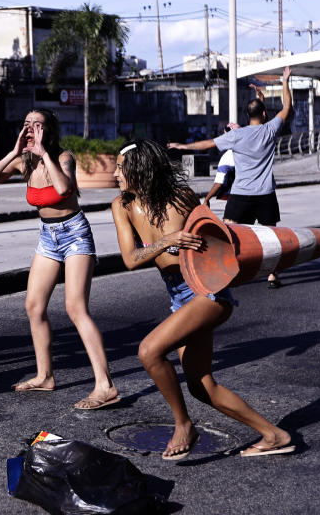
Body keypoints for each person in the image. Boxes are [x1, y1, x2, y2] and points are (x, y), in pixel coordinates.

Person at [111, 140, 294, 459]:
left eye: (119, 167)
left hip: (206, 290)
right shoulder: (122, 206)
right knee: (200, 384)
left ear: (139, 170)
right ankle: (274, 435)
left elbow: (214, 235)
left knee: (149, 351)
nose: (114, 174)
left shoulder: (181, 198)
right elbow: (130, 259)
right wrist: (169, 242)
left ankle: (183, 425)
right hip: (179, 295)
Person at [0, 110, 118, 410]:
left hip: (75, 234)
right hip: (48, 237)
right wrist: (14, 153)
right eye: (27, 124)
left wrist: (44, 153)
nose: (31, 129)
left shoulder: (63, 157)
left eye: (37, 125)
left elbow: (64, 188)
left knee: (75, 307)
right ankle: (45, 376)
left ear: (48, 131)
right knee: (33, 305)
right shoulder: (23, 162)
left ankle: (105, 385)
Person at [170, 66, 293, 288]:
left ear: (247, 115)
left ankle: (226, 271)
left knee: (229, 233)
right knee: (272, 236)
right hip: (265, 194)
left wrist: (182, 145)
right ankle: (272, 275)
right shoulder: (270, 130)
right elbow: (287, 107)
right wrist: (285, 81)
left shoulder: (237, 135)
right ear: (264, 115)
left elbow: (207, 143)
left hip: (241, 195)